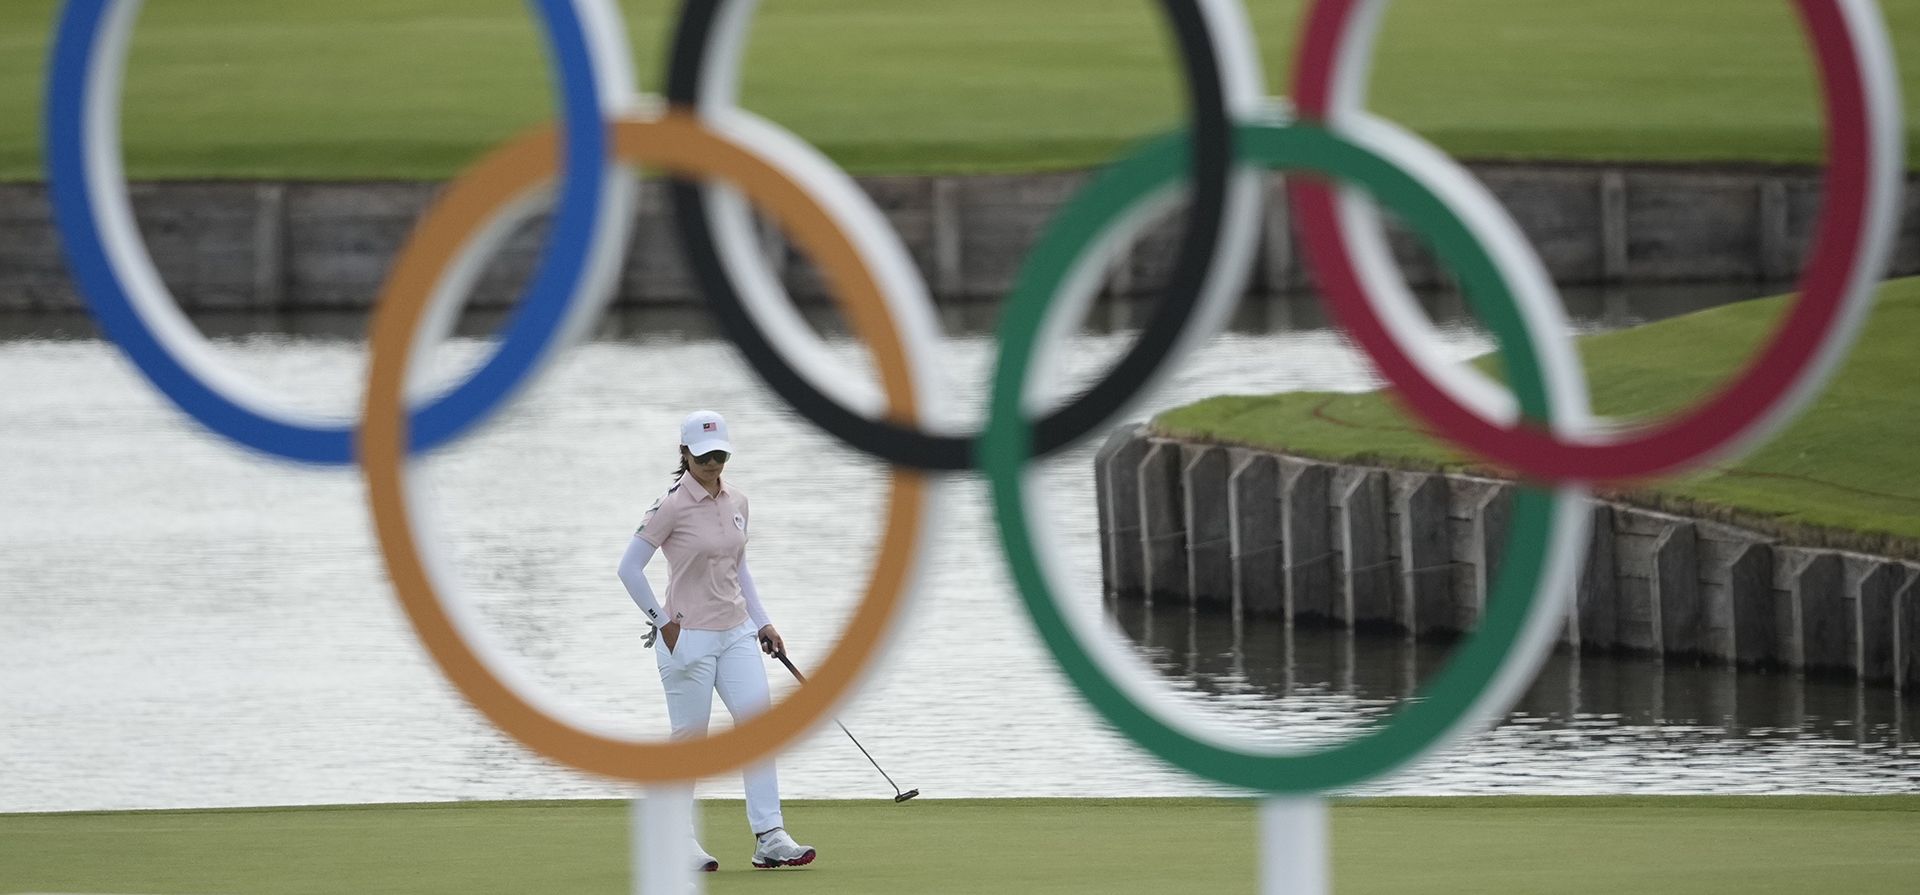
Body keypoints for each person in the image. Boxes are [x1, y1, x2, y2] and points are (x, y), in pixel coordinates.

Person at [616, 410, 816, 872]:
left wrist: (763, 622)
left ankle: (770, 836)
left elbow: (737, 566)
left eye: (720, 455)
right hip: (687, 638)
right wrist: (663, 623)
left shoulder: (738, 501)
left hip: (737, 632)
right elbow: (629, 569)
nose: (713, 463)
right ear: (684, 453)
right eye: (704, 456)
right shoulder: (669, 507)